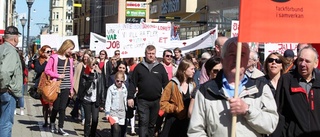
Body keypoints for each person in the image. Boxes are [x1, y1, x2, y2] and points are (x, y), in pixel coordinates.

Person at [188, 37, 279, 136]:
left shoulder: (260, 88)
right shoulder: (207, 90)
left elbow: (271, 125)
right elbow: (195, 131)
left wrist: (248, 110)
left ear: (247, 60)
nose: (237, 59)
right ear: (222, 60)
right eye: (232, 54)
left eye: (242, 55)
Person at [274, 45, 320, 137]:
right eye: (300, 60)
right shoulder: (286, 80)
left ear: (316, 63)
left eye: (307, 61)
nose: (303, 64)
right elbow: (278, 111)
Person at [128, 45, 169, 137]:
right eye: (149, 53)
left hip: (156, 100)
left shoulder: (160, 68)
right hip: (143, 100)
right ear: (145, 54)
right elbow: (133, 83)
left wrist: (168, 98)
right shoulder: (139, 67)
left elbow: (166, 85)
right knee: (143, 122)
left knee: (151, 125)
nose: (151, 55)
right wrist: (130, 97)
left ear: (155, 55)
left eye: (153, 53)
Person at [45, 39, 75, 136]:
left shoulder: (70, 59)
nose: (71, 51)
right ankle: (52, 122)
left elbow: (71, 74)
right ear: (65, 47)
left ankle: (61, 127)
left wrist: (71, 89)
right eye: (70, 49)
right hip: (56, 86)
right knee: (56, 107)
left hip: (66, 86)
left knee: (63, 108)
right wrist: (57, 75)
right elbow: (47, 70)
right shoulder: (54, 57)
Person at [159, 59, 196, 137]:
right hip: (173, 120)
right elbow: (163, 103)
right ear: (184, 70)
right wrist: (175, 108)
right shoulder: (172, 84)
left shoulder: (193, 85)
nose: (194, 71)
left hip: (187, 122)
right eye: (192, 69)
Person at [0, 26, 23, 137]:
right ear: (15, 38)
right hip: (7, 92)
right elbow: (4, 72)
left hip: (3, 90)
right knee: (6, 123)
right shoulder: (11, 51)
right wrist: (5, 87)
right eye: (17, 36)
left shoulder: (2, 48)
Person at [78, 57, 105, 137]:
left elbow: (102, 87)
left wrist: (102, 100)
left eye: (96, 64)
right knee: (87, 119)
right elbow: (84, 86)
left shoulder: (99, 74)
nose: (95, 66)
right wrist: (91, 75)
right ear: (89, 65)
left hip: (95, 99)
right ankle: (86, 134)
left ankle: (92, 134)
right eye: (93, 64)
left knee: (95, 119)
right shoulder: (85, 73)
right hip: (87, 99)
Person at [34, 45, 53, 127]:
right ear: (43, 52)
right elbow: (38, 70)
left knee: (51, 105)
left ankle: (52, 121)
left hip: (51, 85)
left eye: (50, 51)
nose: (50, 53)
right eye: (48, 52)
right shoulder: (38, 61)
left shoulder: (53, 60)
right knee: (45, 105)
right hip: (42, 86)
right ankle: (46, 121)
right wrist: (46, 62)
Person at [105, 71, 128, 137]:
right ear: (115, 80)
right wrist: (107, 113)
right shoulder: (111, 89)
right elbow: (108, 101)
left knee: (120, 131)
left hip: (122, 112)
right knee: (116, 129)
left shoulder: (124, 89)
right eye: (118, 81)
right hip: (113, 112)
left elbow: (126, 100)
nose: (119, 83)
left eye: (121, 81)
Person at [71, 52, 91, 124]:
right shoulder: (80, 65)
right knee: (82, 103)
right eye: (84, 57)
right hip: (80, 87)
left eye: (87, 57)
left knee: (87, 103)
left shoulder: (91, 65)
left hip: (88, 87)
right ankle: (83, 118)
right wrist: (74, 87)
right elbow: (76, 76)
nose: (85, 58)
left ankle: (86, 117)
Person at [16, 50, 27, 116]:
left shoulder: (15, 61)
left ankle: (14, 109)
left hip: (16, 79)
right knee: (21, 95)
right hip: (21, 79)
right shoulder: (22, 61)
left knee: (14, 95)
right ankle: (21, 109)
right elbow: (24, 69)